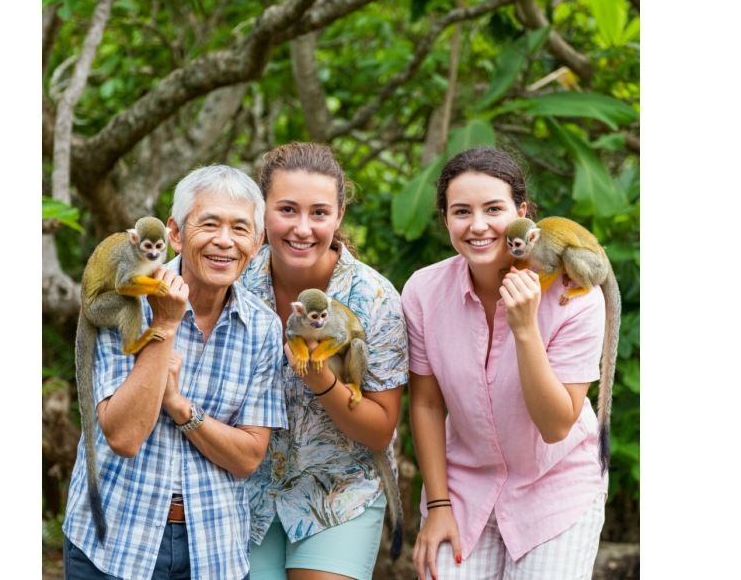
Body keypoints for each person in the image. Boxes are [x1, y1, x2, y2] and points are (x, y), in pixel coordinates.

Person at [62, 165, 288, 580]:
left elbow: (247, 458)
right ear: (176, 234)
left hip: (213, 548)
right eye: (209, 224)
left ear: (256, 244)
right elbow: (125, 436)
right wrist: (164, 327)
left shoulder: (263, 327)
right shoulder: (125, 303)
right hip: (115, 541)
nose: (224, 240)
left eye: (240, 229)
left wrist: (178, 405)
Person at [403, 147, 608, 580]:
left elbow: (555, 426)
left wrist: (526, 329)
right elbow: (424, 405)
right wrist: (437, 505)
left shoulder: (573, 296)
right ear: (446, 220)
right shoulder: (424, 292)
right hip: (462, 489)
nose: (478, 226)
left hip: (553, 489)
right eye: (462, 212)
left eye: (493, 209)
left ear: (523, 214)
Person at [240, 142, 409, 580]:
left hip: (339, 491)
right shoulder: (232, 281)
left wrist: (322, 381)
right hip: (244, 490)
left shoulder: (372, 299)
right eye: (287, 210)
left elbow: (380, 428)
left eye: (318, 213)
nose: (302, 228)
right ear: (261, 213)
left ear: (338, 217)